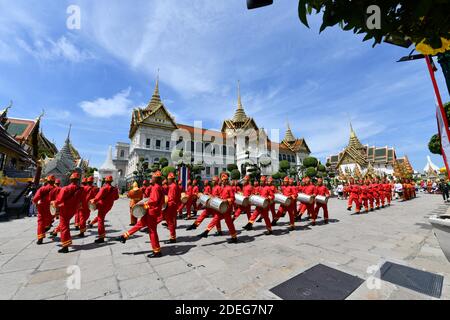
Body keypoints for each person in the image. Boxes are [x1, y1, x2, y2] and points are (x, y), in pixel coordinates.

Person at [117, 171, 165, 258]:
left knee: (152, 231)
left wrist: (143, 204)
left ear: (156, 179)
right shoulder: (158, 187)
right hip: (151, 211)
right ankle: (124, 236)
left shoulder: (156, 188)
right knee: (140, 224)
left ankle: (157, 251)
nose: (151, 179)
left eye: (152, 177)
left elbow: (154, 201)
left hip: (152, 212)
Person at [197, 172, 238, 243]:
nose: (223, 181)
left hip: (227, 209)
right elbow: (220, 196)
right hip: (221, 208)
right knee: (215, 219)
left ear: (227, 180)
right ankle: (206, 232)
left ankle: (234, 237)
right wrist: (217, 198)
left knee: (229, 223)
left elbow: (233, 198)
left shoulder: (229, 188)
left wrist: (226, 201)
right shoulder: (222, 188)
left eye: (224, 180)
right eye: (222, 180)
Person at [51, 172, 84, 253]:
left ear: (70, 179)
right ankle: (67, 242)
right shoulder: (81, 189)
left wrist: (53, 203)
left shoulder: (65, 188)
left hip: (65, 209)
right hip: (73, 210)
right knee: (66, 225)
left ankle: (65, 246)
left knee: (64, 227)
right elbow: (81, 200)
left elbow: (59, 200)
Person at [90, 175, 119, 243]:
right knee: (101, 217)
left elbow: (97, 197)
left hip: (102, 205)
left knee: (100, 220)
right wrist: (110, 199)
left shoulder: (104, 188)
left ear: (105, 181)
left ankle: (101, 237)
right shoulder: (115, 188)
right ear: (111, 181)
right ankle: (92, 223)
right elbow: (116, 197)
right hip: (109, 206)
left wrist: (92, 201)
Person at [33, 175, 56, 244]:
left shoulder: (42, 188)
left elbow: (35, 198)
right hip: (52, 208)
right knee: (49, 219)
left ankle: (40, 238)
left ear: (47, 181)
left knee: (40, 222)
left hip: (42, 207)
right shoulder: (57, 189)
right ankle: (47, 227)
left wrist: (36, 203)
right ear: (54, 181)